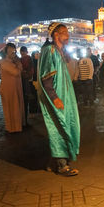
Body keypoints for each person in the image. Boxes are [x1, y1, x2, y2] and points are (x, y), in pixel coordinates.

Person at [38, 22, 80, 176]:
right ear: (56, 35)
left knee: (61, 126)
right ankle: (62, 166)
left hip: (64, 97)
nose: (68, 35)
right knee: (59, 127)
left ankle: (52, 163)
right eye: (65, 32)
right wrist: (54, 98)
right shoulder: (49, 50)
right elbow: (46, 77)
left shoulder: (57, 51)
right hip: (56, 98)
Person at [0, 43, 25, 133]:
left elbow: (19, 70)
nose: (13, 54)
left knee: (16, 106)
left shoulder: (12, 62)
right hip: (8, 89)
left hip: (15, 88)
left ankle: (18, 125)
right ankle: (12, 127)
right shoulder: (4, 63)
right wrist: (18, 64)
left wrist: (17, 63)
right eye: (11, 52)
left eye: (14, 51)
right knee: (11, 108)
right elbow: (16, 72)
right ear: (6, 52)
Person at [20, 46, 34, 125]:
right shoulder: (21, 59)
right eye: (22, 52)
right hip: (23, 82)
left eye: (23, 52)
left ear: (26, 52)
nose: (22, 53)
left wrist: (24, 73)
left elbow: (30, 71)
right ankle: (24, 120)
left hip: (26, 83)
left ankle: (25, 120)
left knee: (25, 101)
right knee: (24, 101)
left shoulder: (28, 59)